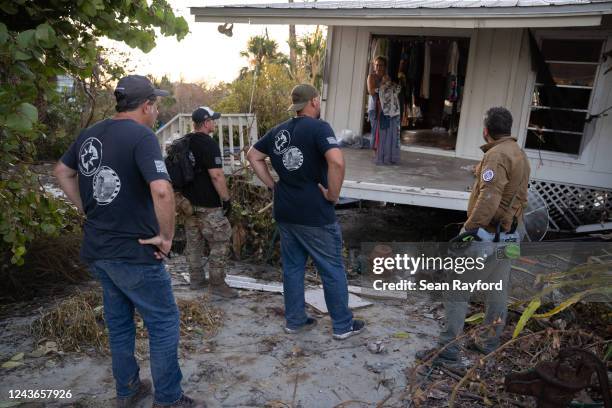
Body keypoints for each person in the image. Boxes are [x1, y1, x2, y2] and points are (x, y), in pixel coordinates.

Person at [54, 75, 205, 408]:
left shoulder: (90, 134)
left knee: (119, 323)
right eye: (157, 104)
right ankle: (168, 398)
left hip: (98, 251)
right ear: (147, 106)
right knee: (163, 321)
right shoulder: (142, 136)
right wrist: (166, 237)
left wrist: (85, 206)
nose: (158, 110)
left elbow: (62, 171)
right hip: (134, 251)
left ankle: (128, 390)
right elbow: (162, 189)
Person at [246, 84, 365, 340]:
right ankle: (343, 326)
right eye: (317, 101)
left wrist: (272, 185)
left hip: (286, 211)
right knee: (331, 268)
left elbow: (253, 155)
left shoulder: (278, 131)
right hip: (314, 212)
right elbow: (337, 161)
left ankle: (295, 321)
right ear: (312, 102)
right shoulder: (320, 128)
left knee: (292, 268)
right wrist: (333, 195)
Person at [417, 106, 530, 365]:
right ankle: (488, 343)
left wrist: (468, 230)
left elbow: (489, 198)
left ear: (486, 130)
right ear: (508, 129)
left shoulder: (497, 156)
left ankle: (448, 351)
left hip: (488, 234)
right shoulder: (519, 154)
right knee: (497, 287)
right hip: (511, 234)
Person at [178, 106, 238, 298]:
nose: (215, 123)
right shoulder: (208, 144)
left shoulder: (184, 142)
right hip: (208, 204)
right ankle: (218, 284)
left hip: (187, 204)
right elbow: (217, 175)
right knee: (220, 240)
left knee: (194, 242)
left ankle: (196, 280)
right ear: (205, 122)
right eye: (213, 120)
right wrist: (226, 199)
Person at [367, 56, 401, 165]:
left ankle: (383, 154)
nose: (378, 67)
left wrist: (388, 83)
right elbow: (371, 92)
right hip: (374, 107)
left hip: (385, 109)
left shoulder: (387, 77)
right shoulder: (371, 77)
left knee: (383, 132)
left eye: (381, 65)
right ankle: (376, 154)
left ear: (385, 67)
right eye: (376, 65)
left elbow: (390, 92)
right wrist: (383, 84)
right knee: (375, 130)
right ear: (374, 66)